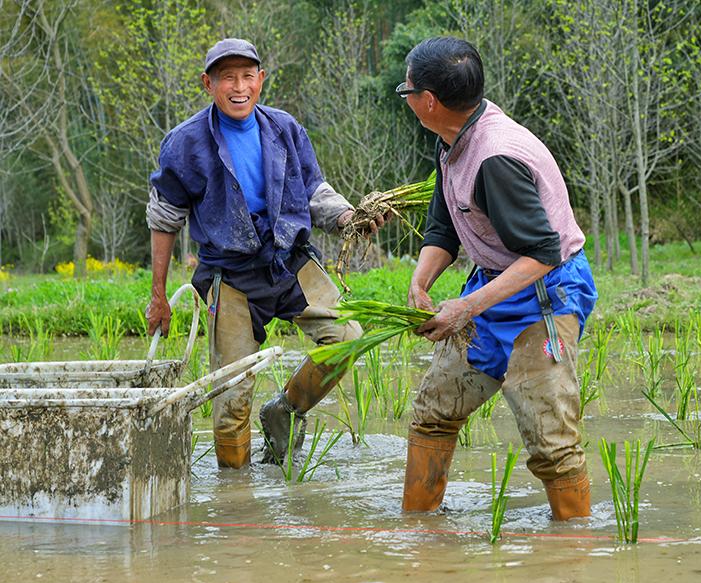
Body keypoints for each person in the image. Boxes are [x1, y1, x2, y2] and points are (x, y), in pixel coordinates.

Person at [146, 38, 382, 469]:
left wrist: (349, 217)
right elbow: (164, 219)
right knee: (231, 401)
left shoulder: (284, 129)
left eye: (247, 76)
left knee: (347, 341)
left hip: (289, 262)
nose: (239, 87)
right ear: (208, 83)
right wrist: (158, 296)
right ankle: (235, 498)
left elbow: (314, 191)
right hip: (231, 276)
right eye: (227, 77)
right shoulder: (185, 143)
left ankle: (285, 411)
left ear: (261, 80)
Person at [398, 37, 598, 520]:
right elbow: (445, 222)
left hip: (544, 297)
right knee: (433, 412)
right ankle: (420, 534)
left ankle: (574, 553)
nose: (405, 96)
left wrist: (464, 308)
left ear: (428, 101)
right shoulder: (451, 139)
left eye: (407, 89)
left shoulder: (495, 158)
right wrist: (421, 281)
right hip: (493, 286)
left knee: (552, 443)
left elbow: (543, 252)